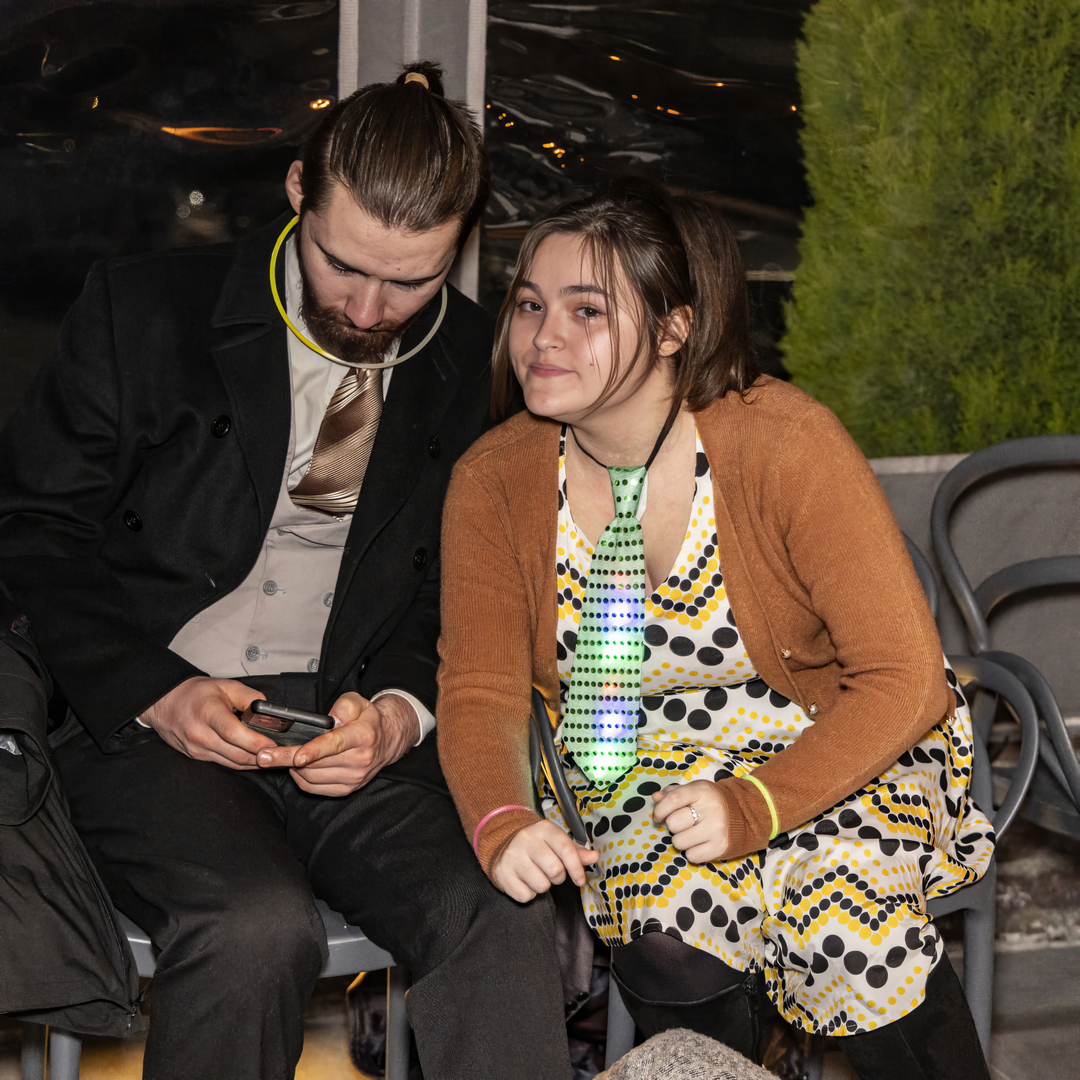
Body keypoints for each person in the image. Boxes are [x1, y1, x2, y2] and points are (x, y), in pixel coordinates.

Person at [0, 62, 571, 1080]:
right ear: (300, 189)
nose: (371, 307)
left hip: (347, 723)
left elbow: (463, 590)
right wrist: (158, 692)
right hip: (144, 720)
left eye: (414, 281)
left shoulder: (481, 364)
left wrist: (397, 715)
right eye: (344, 265)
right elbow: (32, 533)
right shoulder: (145, 312)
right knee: (255, 928)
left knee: (498, 904)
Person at [436, 178, 996, 1079]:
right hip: (629, 759)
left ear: (674, 329)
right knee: (669, 934)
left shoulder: (784, 443)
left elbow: (903, 677)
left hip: (831, 740)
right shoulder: (493, 481)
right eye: (530, 304)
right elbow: (482, 689)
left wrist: (754, 804)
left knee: (848, 924)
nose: (542, 337)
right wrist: (501, 821)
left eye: (587, 311)